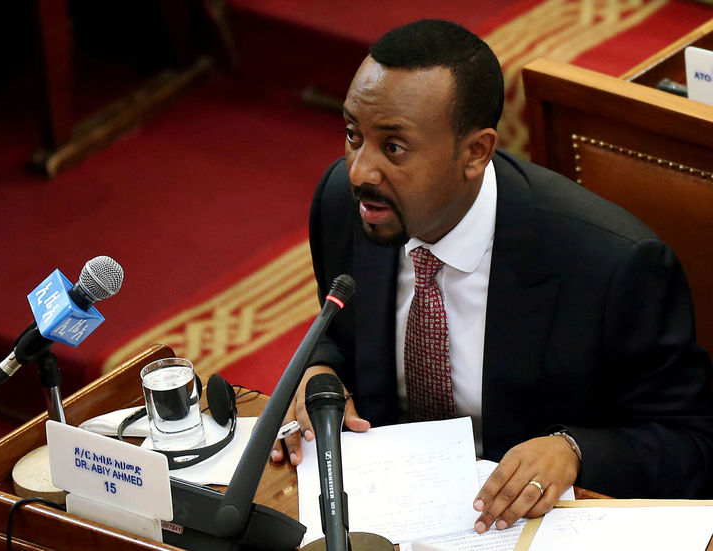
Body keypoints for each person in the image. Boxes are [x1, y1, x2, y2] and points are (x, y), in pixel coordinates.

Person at [270, 19, 713, 533]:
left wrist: (573, 451)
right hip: (387, 512)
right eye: (353, 135)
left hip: (529, 526)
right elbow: (338, 331)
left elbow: (693, 442)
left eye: (393, 148)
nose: (359, 171)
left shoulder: (612, 266)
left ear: (476, 152)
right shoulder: (346, 206)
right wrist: (320, 371)